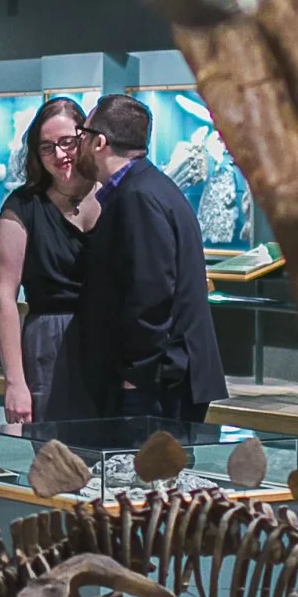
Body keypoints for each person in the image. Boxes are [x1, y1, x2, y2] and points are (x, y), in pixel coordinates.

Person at [74, 92, 227, 442]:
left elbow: (151, 291)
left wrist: (137, 375)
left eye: (82, 135)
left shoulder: (138, 196)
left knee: (145, 485)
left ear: (99, 142)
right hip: (165, 378)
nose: (78, 146)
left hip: (157, 385)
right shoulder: (151, 188)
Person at [0, 96, 100, 429]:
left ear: (85, 138)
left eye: (67, 142)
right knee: (54, 455)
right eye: (47, 147)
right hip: (48, 344)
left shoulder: (114, 195)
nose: (60, 155)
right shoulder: (23, 206)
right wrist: (14, 382)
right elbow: (4, 298)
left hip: (106, 338)